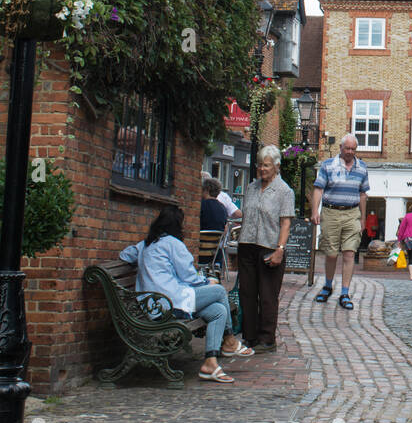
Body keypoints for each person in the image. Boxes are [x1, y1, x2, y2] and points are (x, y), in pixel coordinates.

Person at [119, 205, 252, 382]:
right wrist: (207, 281)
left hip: (154, 305)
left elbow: (124, 255)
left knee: (219, 311)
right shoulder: (173, 244)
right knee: (219, 290)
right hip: (169, 303)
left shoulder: (145, 245)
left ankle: (210, 363)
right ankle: (229, 339)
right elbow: (189, 276)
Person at [237, 145, 296, 352]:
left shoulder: (284, 191)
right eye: (260, 165)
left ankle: (267, 339)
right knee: (247, 293)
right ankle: (249, 336)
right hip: (247, 245)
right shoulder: (252, 187)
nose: (262, 169)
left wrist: (280, 249)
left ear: (276, 167)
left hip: (269, 248)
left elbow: (286, 223)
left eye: (267, 165)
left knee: (268, 295)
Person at [309, 134, 369, 310]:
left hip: (352, 214)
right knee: (331, 253)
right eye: (347, 148)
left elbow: (363, 195)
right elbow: (318, 189)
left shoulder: (362, 168)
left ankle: (345, 292)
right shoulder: (328, 165)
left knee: (349, 253)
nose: (350, 152)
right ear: (341, 148)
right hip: (331, 212)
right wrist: (315, 211)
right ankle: (328, 285)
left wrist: (363, 218)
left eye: (353, 149)